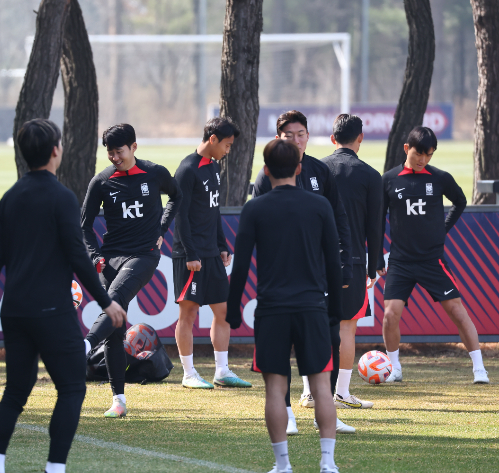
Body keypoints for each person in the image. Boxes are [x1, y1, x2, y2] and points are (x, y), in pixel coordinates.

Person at [0, 118, 126, 473]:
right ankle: (54, 468)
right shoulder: (62, 197)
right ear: (55, 151)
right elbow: (77, 256)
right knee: (70, 389)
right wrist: (106, 300)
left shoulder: (10, 198)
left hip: (15, 310)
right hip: (52, 310)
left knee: (16, 392)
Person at [228, 139, 342, 473]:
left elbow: (241, 265)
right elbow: (333, 264)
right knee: (322, 387)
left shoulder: (255, 208)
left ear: (265, 171)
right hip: (312, 308)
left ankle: (283, 465)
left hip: (272, 310)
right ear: (299, 168)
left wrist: (233, 310)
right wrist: (335, 309)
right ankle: (328, 462)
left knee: (276, 391)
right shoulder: (320, 206)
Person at [252, 110, 353, 435]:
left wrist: (343, 263)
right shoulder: (264, 178)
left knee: (331, 337)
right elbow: (256, 230)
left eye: (301, 134)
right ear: (279, 138)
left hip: (320, 275)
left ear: (308, 136)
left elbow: (339, 219)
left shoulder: (320, 171)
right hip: (281, 279)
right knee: (282, 349)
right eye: (289, 135)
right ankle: (287, 412)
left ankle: (327, 410)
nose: (296, 140)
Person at [81, 123, 181, 417]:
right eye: (110, 153)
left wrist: (161, 228)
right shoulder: (101, 181)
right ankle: (119, 400)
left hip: (144, 255)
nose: (115, 157)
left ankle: (84, 345)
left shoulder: (155, 173)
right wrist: (96, 258)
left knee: (115, 300)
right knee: (115, 329)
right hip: (109, 259)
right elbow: (84, 227)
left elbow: (177, 196)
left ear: (134, 147)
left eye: (119, 151)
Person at [377, 126, 488, 384]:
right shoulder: (389, 180)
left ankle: (479, 369)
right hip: (401, 261)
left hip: (432, 260)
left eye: (429, 155)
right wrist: (375, 257)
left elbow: (460, 201)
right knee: (390, 315)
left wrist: (443, 229)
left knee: (458, 313)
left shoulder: (440, 178)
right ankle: (395, 369)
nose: (423, 159)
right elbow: (378, 219)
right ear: (407, 149)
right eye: (419, 153)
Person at [168, 117, 251, 389]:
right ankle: (189, 373)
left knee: (223, 311)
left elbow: (213, 211)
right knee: (188, 314)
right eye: (227, 145)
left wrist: (222, 245)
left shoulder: (213, 168)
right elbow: (180, 216)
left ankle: (222, 371)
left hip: (211, 254)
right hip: (189, 255)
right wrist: (191, 253)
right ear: (212, 139)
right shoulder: (186, 170)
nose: (228, 151)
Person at [321, 114, 383, 409]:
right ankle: (342, 393)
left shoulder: (317, 169)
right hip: (354, 261)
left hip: (317, 259)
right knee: (347, 327)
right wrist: (374, 266)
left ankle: (311, 392)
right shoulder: (371, 175)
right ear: (360, 139)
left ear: (332, 139)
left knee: (316, 326)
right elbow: (376, 226)